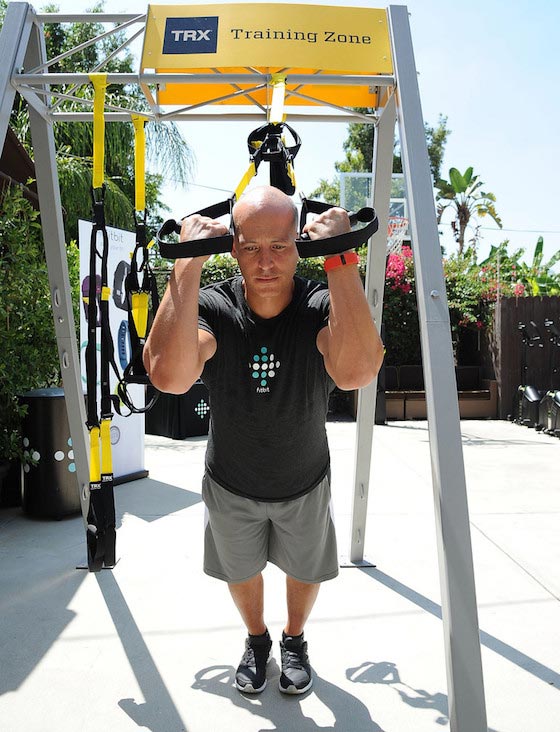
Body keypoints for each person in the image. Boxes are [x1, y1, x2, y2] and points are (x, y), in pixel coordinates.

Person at [144, 185, 383, 695]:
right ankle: (257, 639)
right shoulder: (213, 306)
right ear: (233, 249)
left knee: (305, 566)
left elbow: (357, 370)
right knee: (241, 568)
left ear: (299, 245)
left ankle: (294, 639)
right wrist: (185, 266)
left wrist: (342, 260)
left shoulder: (319, 304)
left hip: (304, 478)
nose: (267, 261)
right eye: (251, 246)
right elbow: (168, 375)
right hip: (232, 481)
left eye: (279, 245)